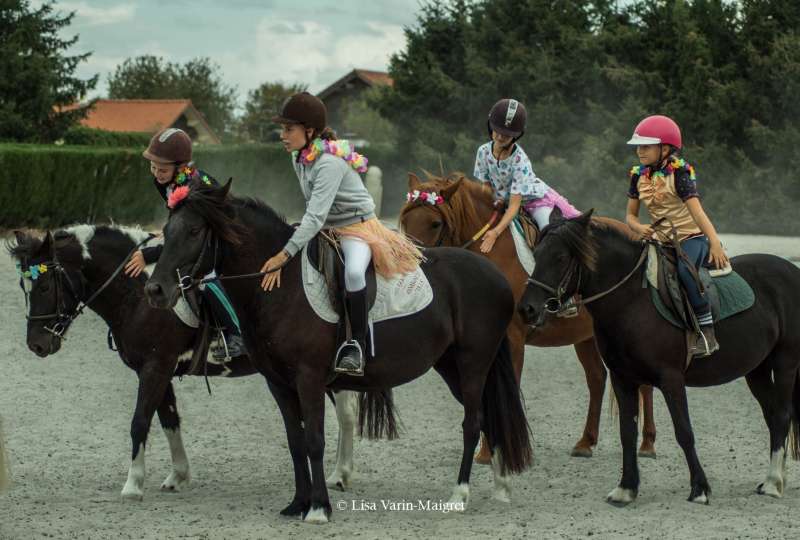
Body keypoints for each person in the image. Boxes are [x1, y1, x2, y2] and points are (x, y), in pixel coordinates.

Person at [260, 92, 422, 376]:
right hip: (326, 227)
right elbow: (315, 213)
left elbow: (316, 214)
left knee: (355, 273)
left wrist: (284, 253)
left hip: (357, 228)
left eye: (289, 129)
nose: (282, 135)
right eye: (282, 129)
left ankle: (356, 344)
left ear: (309, 131)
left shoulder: (329, 162)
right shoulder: (299, 156)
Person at [125, 128, 247, 360]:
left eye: (162, 169)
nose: (157, 174)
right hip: (199, 232)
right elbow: (178, 221)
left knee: (206, 279)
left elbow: (186, 238)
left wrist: (149, 254)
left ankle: (237, 333)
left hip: (225, 235)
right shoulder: (164, 182)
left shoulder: (195, 186)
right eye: (153, 167)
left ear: (181, 168)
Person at [625, 115, 730, 357]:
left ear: (665, 148)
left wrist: (714, 242)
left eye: (646, 146)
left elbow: (699, 214)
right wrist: (638, 227)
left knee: (684, 271)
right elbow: (630, 216)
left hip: (689, 239)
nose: (640, 151)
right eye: (638, 146)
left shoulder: (680, 173)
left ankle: (706, 331)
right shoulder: (637, 175)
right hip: (658, 240)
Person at [473, 98, 580, 254]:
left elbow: (515, 205)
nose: (500, 137)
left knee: (550, 236)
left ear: (517, 135)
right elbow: (485, 186)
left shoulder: (520, 160)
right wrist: (492, 201)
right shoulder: (482, 151)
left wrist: (495, 233)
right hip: (503, 201)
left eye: (506, 135)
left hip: (532, 201)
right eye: (497, 131)